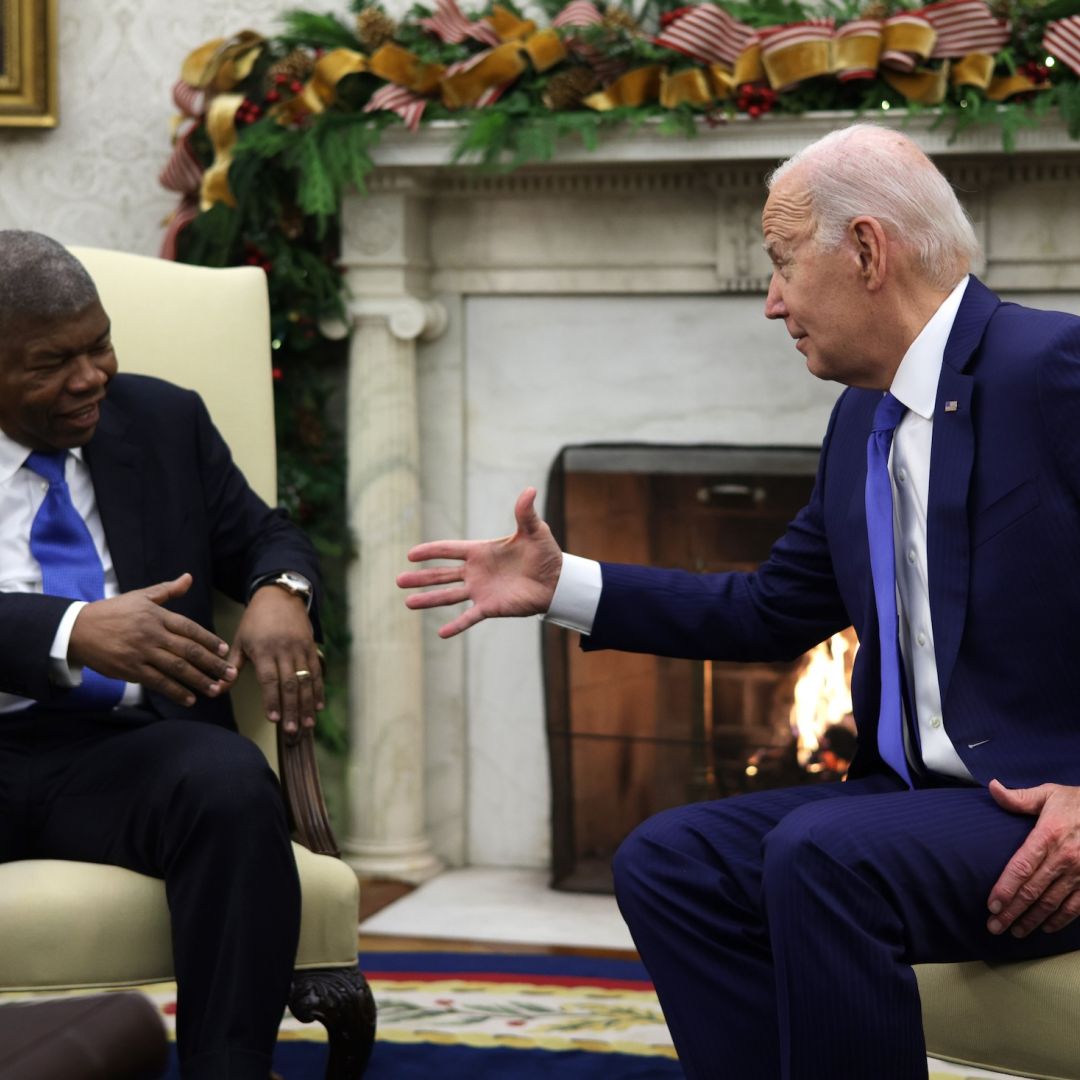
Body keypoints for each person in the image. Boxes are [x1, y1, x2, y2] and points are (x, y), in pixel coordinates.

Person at [396, 124, 1080, 1080]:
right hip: (914, 814)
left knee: (822, 854)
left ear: (868, 251)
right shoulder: (861, 423)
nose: (771, 302)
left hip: (1043, 813)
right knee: (667, 860)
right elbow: (766, 609)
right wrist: (563, 586)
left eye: (782, 263)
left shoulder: (1053, 370)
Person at [0, 231, 325, 1080]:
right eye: (50, 363)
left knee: (226, 782)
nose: (90, 376)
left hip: (123, 755)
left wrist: (280, 590)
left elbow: (267, 534)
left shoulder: (161, 419)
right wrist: (72, 630)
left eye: (99, 343)